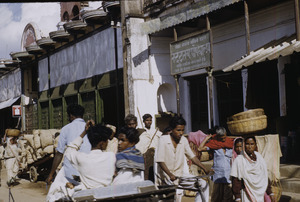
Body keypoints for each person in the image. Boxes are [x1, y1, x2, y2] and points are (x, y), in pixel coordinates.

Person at [156, 116, 211, 202]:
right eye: (178, 130)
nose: (181, 133)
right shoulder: (163, 140)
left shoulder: (184, 140)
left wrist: (204, 168)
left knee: (203, 184)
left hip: (180, 175)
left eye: (182, 130)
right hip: (166, 177)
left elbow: (192, 156)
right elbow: (160, 160)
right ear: (171, 129)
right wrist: (170, 174)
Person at [46, 104, 91, 200]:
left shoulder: (66, 129)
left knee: (57, 194)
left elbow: (59, 153)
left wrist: (51, 174)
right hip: (88, 170)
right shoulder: (91, 128)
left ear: (71, 116)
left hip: (70, 172)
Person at [65, 120, 116, 189]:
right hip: (106, 194)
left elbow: (69, 150)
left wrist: (85, 132)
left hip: (88, 196)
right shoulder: (111, 157)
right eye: (106, 141)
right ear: (101, 144)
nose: (107, 143)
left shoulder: (81, 158)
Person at [231, 136, 275, 202]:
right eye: (247, 144)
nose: (249, 146)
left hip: (259, 193)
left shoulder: (259, 158)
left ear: (255, 145)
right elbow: (236, 180)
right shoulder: (239, 160)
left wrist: (270, 192)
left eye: (252, 144)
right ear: (244, 145)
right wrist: (237, 197)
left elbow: (264, 176)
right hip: (246, 193)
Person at [198, 126, 234, 202]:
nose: (223, 139)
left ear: (226, 134)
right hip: (218, 173)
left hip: (229, 173)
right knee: (217, 196)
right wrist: (207, 138)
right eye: (221, 138)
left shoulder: (230, 142)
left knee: (228, 197)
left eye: (224, 137)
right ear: (218, 136)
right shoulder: (214, 144)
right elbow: (200, 148)